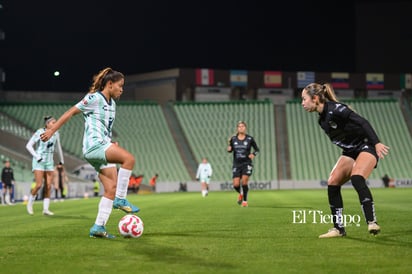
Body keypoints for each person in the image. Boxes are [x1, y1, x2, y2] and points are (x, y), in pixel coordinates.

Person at [40, 67, 139, 239]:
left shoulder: (112, 104)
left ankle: (98, 227)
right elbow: (71, 112)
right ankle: (121, 199)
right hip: (94, 146)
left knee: (110, 188)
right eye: (120, 85)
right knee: (129, 159)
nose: (122, 89)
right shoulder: (94, 98)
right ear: (109, 84)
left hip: (102, 145)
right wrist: (51, 131)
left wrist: (110, 142)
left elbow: (103, 128)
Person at [301, 83, 390, 238]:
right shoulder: (321, 120)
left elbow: (363, 122)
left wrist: (376, 143)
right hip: (350, 151)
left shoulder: (336, 109)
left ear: (315, 98)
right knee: (332, 182)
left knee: (357, 177)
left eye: (304, 99)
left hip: (366, 145)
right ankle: (338, 229)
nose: (302, 103)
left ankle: (372, 222)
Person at [26, 116, 64, 215]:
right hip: (39, 161)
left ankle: (45, 209)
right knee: (39, 185)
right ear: (47, 124)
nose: (55, 124)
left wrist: (61, 160)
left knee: (48, 186)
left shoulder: (56, 133)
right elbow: (28, 145)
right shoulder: (40, 132)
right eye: (53, 122)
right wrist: (37, 156)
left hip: (49, 162)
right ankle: (30, 204)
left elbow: (58, 147)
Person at [227, 121, 259, 207]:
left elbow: (257, 149)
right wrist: (229, 149)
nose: (241, 128)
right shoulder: (233, 139)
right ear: (237, 128)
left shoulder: (250, 139)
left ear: (245, 128)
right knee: (236, 185)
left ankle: (245, 201)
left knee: (244, 183)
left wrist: (253, 154)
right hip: (237, 164)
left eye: (243, 126)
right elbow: (230, 150)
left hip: (247, 163)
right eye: (239, 126)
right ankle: (241, 193)